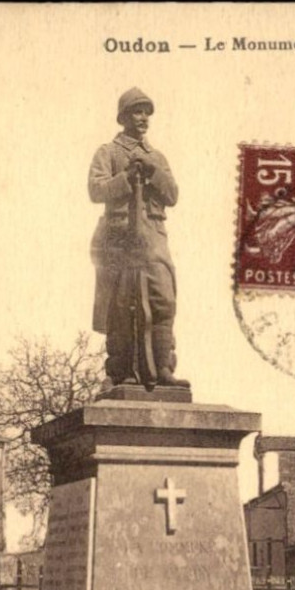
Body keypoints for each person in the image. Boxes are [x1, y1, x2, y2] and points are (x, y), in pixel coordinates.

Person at [88, 88, 189, 388]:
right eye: (137, 111)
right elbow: (95, 190)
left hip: (154, 237)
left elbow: (172, 195)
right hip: (120, 238)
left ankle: (163, 368)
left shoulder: (157, 157)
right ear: (123, 117)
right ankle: (121, 373)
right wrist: (126, 178)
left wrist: (153, 172)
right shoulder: (108, 152)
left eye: (147, 112)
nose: (143, 118)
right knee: (122, 306)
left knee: (164, 300)